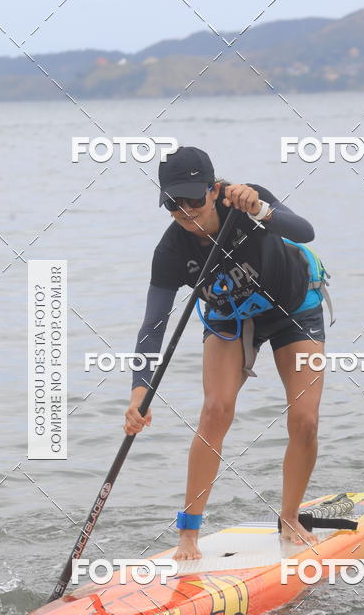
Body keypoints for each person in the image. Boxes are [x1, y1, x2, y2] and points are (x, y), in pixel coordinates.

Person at [124, 146, 332, 560]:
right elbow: (153, 325)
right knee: (215, 411)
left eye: (194, 200)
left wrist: (263, 211)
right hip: (230, 319)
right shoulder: (170, 252)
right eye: (172, 203)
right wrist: (138, 390)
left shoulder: (245, 200)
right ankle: (188, 535)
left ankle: (289, 518)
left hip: (294, 307)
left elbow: (305, 230)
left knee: (304, 420)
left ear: (214, 189)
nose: (185, 211)